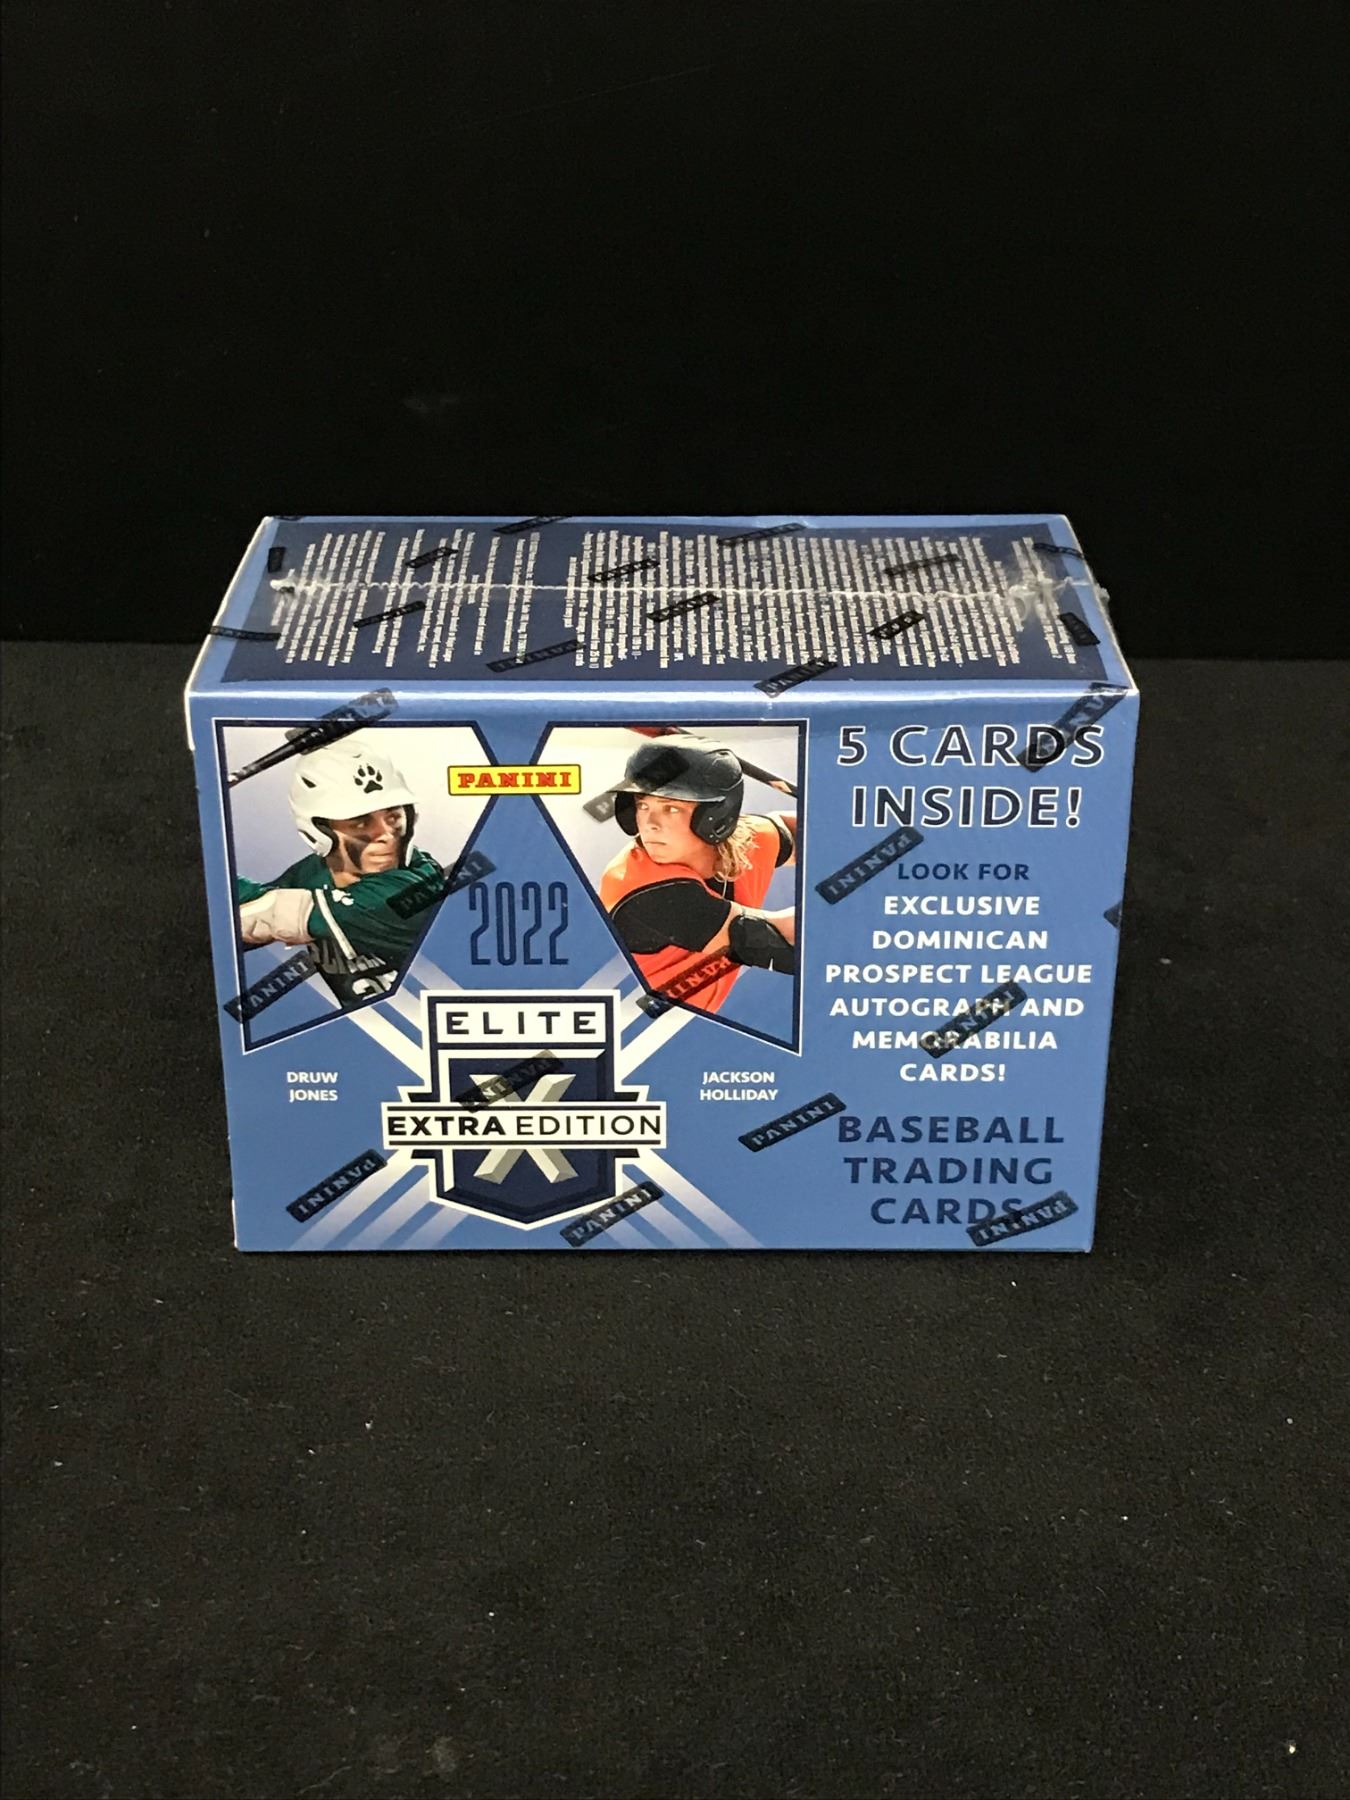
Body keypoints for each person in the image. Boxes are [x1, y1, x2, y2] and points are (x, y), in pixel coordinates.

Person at [235, 739, 442, 1007]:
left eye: (393, 817)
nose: (386, 835)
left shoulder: (413, 890)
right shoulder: (314, 873)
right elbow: (245, 914)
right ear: (319, 831)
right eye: (360, 823)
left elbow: (270, 913)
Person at [599, 738, 797, 1015]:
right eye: (643, 806)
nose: (650, 824)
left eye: (671, 808)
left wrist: (847, 818)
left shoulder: (744, 842)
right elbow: (779, 938)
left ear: (715, 816)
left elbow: (809, 831)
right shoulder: (639, 888)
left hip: (696, 1027)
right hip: (634, 1031)